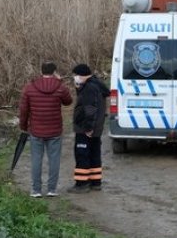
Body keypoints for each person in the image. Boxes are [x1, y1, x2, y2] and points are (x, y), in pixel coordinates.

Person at [18, 62, 73, 198]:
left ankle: (36, 190)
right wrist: (60, 82)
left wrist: (23, 126)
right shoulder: (60, 87)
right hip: (54, 130)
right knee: (54, 160)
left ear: (41, 71)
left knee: (36, 160)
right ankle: (52, 189)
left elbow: (24, 110)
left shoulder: (29, 88)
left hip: (36, 130)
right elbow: (68, 101)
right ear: (54, 72)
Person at [67, 63, 109, 194]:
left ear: (81, 75)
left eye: (76, 75)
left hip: (87, 128)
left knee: (82, 154)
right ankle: (95, 182)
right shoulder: (96, 85)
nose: (75, 78)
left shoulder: (90, 88)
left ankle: (81, 184)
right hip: (96, 129)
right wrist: (79, 88)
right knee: (94, 154)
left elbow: (90, 108)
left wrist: (88, 127)